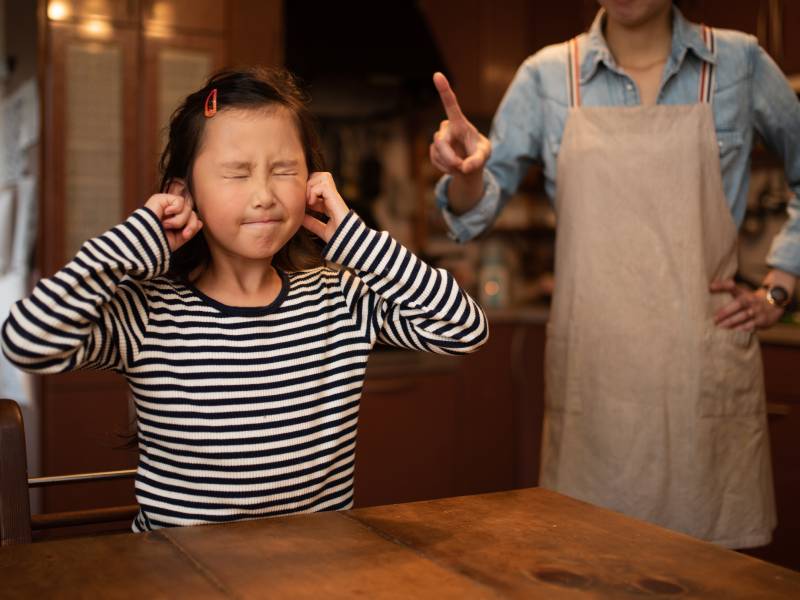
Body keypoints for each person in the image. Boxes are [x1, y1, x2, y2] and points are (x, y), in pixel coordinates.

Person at [1, 68, 488, 531]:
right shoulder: (147, 312)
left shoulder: (339, 298)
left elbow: (465, 330)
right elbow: (27, 342)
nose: (264, 195)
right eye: (236, 173)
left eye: (283, 170)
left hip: (318, 572)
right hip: (180, 574)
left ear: (313, 185)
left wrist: (354, 238)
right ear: (183, 195)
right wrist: (132, 243)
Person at [429, 0, 800, 549]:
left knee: (710, 576)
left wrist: (780, 287)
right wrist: (467, 174)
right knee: (589, 561)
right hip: (596, 379)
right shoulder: (546, 76)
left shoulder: (739, 63)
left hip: (700, 368)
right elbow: (472, 213)